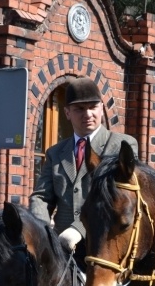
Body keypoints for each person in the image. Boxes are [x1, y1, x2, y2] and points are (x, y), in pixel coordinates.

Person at [30, 77, 138, 267]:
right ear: (67, 113)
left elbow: (117, 199)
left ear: (101, 109)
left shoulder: (121, 145)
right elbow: (41, 197)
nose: (87, 114)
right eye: (79, 109)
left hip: (105, 252)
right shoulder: (55, 153)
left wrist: (79, 229)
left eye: (92, 107)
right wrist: (43, 234)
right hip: (62, 253)